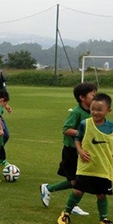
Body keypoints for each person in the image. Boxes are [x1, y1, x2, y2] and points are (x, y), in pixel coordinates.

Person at [57, 93, 113, 224]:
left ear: (108, 111)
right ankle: (66, 213)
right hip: (87, 166)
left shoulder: (112, 127)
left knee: (101, 194)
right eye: (93, 109)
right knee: (77, 191)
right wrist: (80, 151)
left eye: (99, 109)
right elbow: (78, 138)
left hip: (103, 167)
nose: (95, 112)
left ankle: (104, 218)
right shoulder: (85, 124)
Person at [39, 82, 97, 216]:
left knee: (79, 180)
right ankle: (49, 189)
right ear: (82, 97)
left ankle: (58, 194)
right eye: (92, 95)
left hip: (83, 151)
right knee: (76, 181)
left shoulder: (92, 113)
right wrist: (82, 134)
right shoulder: (76, 112)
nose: (95, 98)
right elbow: (66, 130)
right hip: (71, 151)